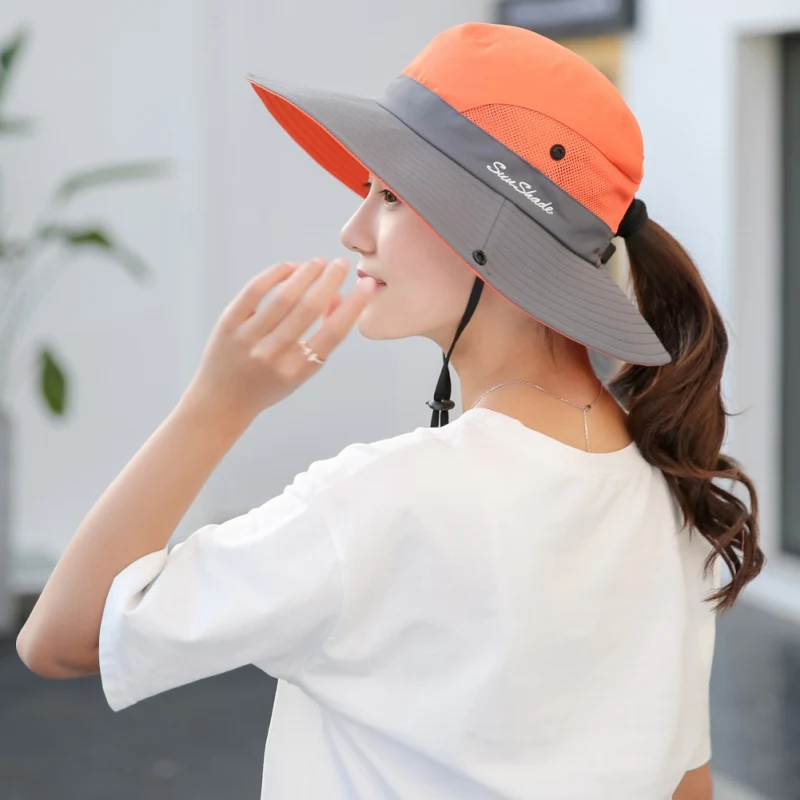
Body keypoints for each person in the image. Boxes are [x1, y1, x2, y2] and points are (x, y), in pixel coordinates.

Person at [16, 21, 763, 800]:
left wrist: (218, 402)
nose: (353, 231)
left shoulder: (381, 502)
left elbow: (62, 639)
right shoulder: (670, 492)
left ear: (496, 237)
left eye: (392, 197)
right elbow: (688, 785)